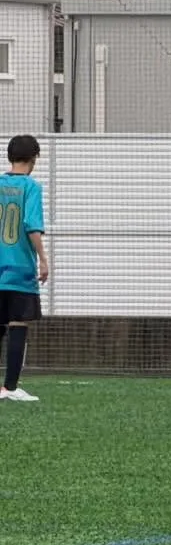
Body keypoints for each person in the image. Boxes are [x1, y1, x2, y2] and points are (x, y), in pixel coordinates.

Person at [0, 134, 49, 405]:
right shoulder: (31, 187)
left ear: (10, 157)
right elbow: (31, 224)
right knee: (18, 324)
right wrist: (43, 258)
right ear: (34, 158)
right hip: (19, 269)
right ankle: (10, 387)